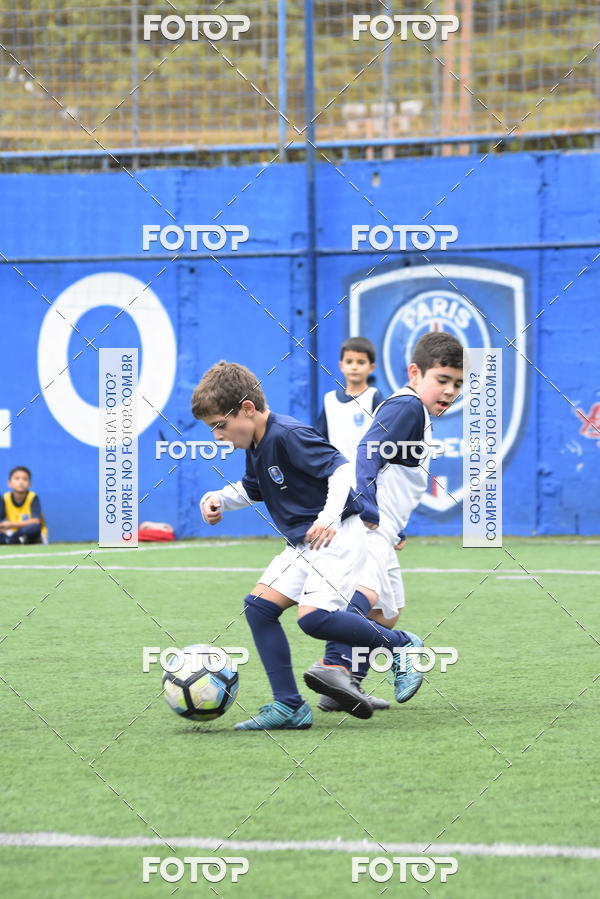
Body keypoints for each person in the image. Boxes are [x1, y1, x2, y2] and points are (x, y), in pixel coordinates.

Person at [191, 361, 424, 731]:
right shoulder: (256, 443)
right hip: (303, 544)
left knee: (314, 619)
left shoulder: (287, 434)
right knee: (258, 609)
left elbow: (343, 470)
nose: (217, 435)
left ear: (247, 410)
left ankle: (402, 645)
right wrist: (219, 498)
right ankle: (289, 706)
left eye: (220, 424)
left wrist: (329, 517)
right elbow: (252, 490)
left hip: (338, 537)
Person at [317, 332, 464, 708]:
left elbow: (396, 474)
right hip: (369, 524)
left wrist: (397, 526)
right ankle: (333, 666)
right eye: (442, 380)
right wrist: (367, 508)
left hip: (385, 526)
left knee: (386, 613)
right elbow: (368, 452)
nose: (449, 391)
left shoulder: (417, 412)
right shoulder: (408, 407)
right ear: (415, 372)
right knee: (359, 599)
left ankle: (347, 685)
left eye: (458, 384)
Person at [316, 336, 385, 465]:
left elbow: (384, 437)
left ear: (372, 367)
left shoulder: (373, 396)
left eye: (361, 362)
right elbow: (320, 439)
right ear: (341, 366)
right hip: (336, 474)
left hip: (366, 474)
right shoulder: (329, 399)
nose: (354, 367)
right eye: (349, 361)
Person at [0, 466, 47, 545]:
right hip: (12, 533)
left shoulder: (32, 497)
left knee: (34, 527)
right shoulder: (5, 498)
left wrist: (11, 524)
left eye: (25, 479)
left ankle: (14, 540)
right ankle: (13, 540)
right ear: (9, 483)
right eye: (17, 479)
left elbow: (36, 521)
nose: (21, 482)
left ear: (30, 484)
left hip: (29, 533)